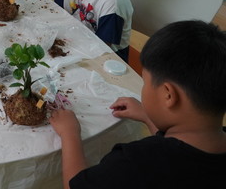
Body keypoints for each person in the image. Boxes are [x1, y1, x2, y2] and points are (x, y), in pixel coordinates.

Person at [49, 20, 226, 188]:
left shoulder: (137, 162)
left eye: (146, 81)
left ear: (168, 95)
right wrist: (148, 117)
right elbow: (181, 153)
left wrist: (70, 134)